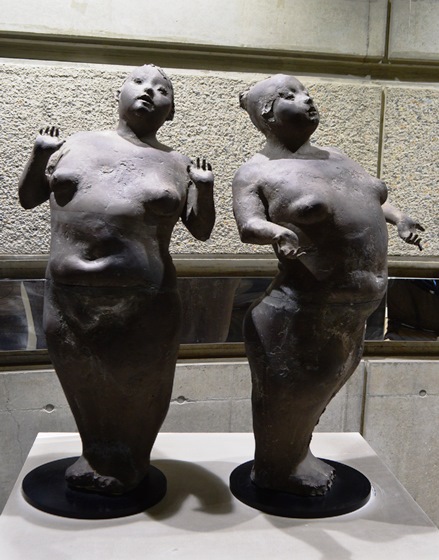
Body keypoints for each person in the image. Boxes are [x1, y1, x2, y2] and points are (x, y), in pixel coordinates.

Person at [18, 64, 215, 495]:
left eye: (162, 89)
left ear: (171, 111)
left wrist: (204, 187)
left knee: (141, 386)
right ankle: (94, 454)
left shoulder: (177, 163)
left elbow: (201, 229)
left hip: (148, 301)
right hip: (69, 297)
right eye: (139, 83)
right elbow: (29, 197)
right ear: (119, 95)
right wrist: (39, 153)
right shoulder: (73, 145)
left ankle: (133, 461)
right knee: (84, 386)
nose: (149, 91)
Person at [233, 74, 424, 496]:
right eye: (289, 95)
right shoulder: (257, 171)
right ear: (267, 114)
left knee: (313, 399)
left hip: (353, 312)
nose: (306, 99)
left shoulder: (339, 159)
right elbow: (248, 224)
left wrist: (400, 218)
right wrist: (277, 232)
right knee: (290, 401)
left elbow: (372, 197)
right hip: (298, 313)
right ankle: (277, 471)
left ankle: (293, 458)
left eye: (305, 91)